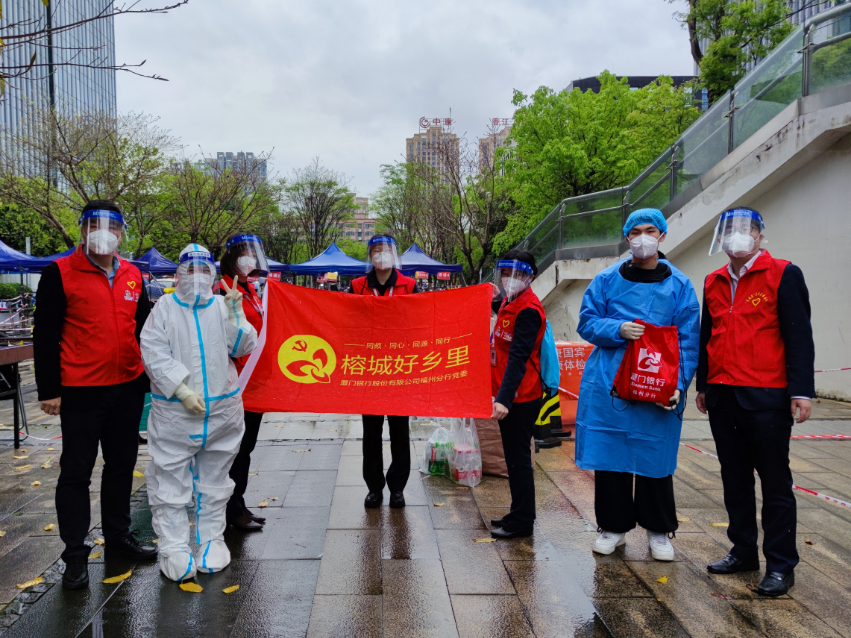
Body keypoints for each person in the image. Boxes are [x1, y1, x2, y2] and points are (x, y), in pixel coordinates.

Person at [33, 200, 157, 591]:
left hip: (127, 387)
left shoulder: (133, 274)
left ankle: (118, 537)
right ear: (83, 230)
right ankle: (75, 553)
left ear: (121, 233)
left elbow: (145, 330)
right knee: (76, 471)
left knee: (122, 466)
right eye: (95, 226)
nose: (105, 233)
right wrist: (49, 389)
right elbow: (45, 334)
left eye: (113, 227)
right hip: (81, 390)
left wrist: (152, 378)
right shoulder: (60, 272)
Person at [696, 207, 814, 597]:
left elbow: (798, 336)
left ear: (760, 236)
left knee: (775, 483)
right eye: (729, 230)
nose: (737, 236)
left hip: (766, 397)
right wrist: (703, 384)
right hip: (722, 394)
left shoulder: (783, 274)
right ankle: (743, 550)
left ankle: (780, 564)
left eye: (746, 230)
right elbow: (707, 334)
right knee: (734, 479)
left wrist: (801, 391)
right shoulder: (713, 280)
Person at [575, 208, 700, 561]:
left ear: (662, 235)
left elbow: (689, 340)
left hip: (656, 382)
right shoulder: (606, 280)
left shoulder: (679, 286)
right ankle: (612, 527)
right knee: (610, 458)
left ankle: (659, 530)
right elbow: (587, 322)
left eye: (650, 231)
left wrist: (679, 384)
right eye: (635, 232)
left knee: (654, 458)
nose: (643, 238)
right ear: (627, 237)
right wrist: (616, 329)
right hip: (610, 382)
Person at [141, 244, 257, 582]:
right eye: (190, 270)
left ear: (213, 274)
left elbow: (243, 346)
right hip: (175, 415)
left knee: (215, 482)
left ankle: (211, 541)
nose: (197, 276)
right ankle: (174, 547)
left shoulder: (222, 305)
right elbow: (153, 351)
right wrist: (181, 389)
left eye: (204, 270)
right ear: (179, 273)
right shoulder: (164, 309)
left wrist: (237, 314)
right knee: (169, 483)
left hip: (222, 412)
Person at [350, 235, 417, 509]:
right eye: (376, 251)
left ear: (394, 255)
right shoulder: (358, 286)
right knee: (371, 433)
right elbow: (346, 321)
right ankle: (374, 488)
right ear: (370, 256)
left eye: (386, 250)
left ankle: (397, 487)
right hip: (369, 370)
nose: (381, 255)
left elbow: (422, 321)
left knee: (400, 433)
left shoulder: (409, 285)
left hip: (400, 369)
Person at [489, 250, 547, 539]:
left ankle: (524, 521)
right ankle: (517, 511)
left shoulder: (528, 311)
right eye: (506, 273)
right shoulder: (511, 301)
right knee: (512, 459)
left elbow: (518, 358)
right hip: (510, 392)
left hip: (521, 397)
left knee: (519, 459)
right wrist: (492, 299)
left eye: (518, 274)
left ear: (530, 277)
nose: (510, 279)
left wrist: (504, 399)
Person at [219, 234, 269, 532]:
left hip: (254, 382)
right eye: (245, 253)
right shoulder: (224, 289)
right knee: (234, 448)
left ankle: (239, 501)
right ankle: (230, 509)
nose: (250, 258)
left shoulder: (250, 288)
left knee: (246, 447)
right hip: (235, 381)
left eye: (254, 253)